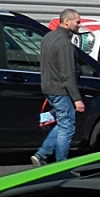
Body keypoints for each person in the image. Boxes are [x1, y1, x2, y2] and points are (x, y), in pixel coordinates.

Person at [32, 9, 85, 166]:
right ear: (67, 22)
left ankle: (42, 154)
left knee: (62, 122)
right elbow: (67, 74)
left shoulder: (48, 37)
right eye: (77, 22)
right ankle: (60, 163)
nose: (79, 25)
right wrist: (77, 99)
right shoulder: (64, 43)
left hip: (48, 87)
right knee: (67, 126)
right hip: (60, 90)